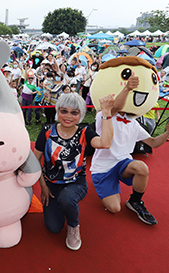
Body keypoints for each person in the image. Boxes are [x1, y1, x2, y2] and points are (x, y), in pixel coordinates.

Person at [91, 72, 169, 225]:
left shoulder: (134, 123)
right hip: (102, 168)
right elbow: (115, 107)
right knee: (114, 208)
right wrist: (127, 88)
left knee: (141, 167)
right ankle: (108, 186)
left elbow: (154, 143)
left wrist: (167, 133)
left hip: (123, 163)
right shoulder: (104, 115)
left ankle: (135, 201)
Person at [34, 93, 115, 250]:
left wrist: (106, 113)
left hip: (76, 183)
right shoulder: (46, 131)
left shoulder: (85, 132)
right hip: (51, 185)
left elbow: (105, 143)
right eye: (64, 111)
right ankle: (62, 205)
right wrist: (43, 186)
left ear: (81, 114)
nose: (68, 116)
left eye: (74, 112)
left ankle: (73, 226)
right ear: (57, 111)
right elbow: (35, 160)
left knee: (67, 198)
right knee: (54, 228)